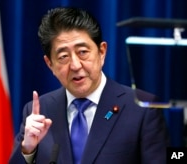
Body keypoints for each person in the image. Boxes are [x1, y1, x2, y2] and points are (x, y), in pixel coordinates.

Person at [9, 7, 169, 164]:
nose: (75, 65)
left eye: (83, 52)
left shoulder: (143, 108)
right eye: (63, 56)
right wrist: (28, 150)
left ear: (102, 52)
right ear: (50, 64)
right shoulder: (38, 111)